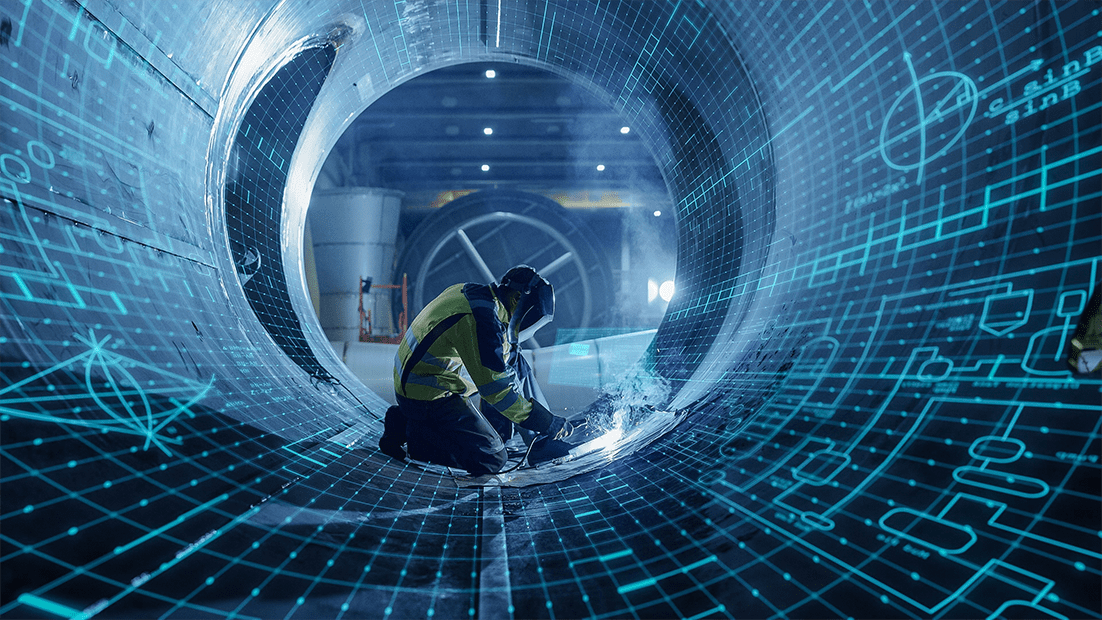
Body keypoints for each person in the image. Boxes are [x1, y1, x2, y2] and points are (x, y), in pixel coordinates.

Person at [379, 265, 575, 475]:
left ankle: (540, 444)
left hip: (417, 381)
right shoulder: (481, 321)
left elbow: (506, 363)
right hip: (427, 396)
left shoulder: (474, 294)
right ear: (518, 298)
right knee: (492, 458)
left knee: (513, 359)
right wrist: (546, 421)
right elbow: (496, 389)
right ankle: (410, 432)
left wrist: (539, 426)